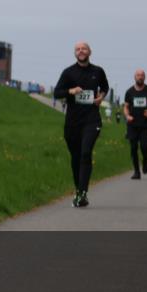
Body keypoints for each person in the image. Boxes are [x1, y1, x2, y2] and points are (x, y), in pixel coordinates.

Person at [52, 41, 109, 208]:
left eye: (84, 48)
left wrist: (101, 98)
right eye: (77, 49)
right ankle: (79, 191)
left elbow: (105, 86)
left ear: (90, 51)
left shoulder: (97, 71)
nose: (81, 51)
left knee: (85, 153)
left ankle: (83, 192)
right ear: (74, 53)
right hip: (72, 122)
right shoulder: (68, 73)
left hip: (92, 120)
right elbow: (57, 93)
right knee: (76, 157)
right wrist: (71, 91)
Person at [123, 69, 147, 179]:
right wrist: (127, 116)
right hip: (132, 124)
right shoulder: (129, 92)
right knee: (133, 148)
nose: (140, 77)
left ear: (145, 77)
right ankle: (136, 172)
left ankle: (145, 160)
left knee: (144, 147)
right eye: (138, 75)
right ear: (135, 77)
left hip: (145, 124)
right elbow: (126, 107)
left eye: (142, 75)